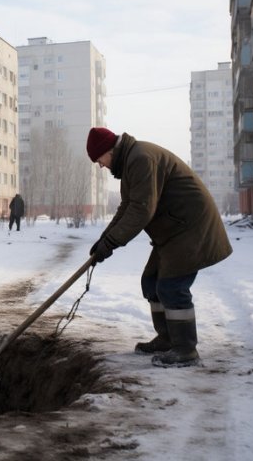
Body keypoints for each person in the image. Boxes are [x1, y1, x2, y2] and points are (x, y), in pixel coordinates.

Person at [86, 127, 232, 367]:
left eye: (99, 159)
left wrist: (111, 243)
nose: (100, 165)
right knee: (151, 281)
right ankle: (167, 339)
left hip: (190, 227)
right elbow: (127, 207)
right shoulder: (131, 162)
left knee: (171, 286)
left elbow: (141, 210)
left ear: (108, 150)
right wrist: (104, 239)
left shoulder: (141, 159)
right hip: (173, 230)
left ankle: (185, 349)